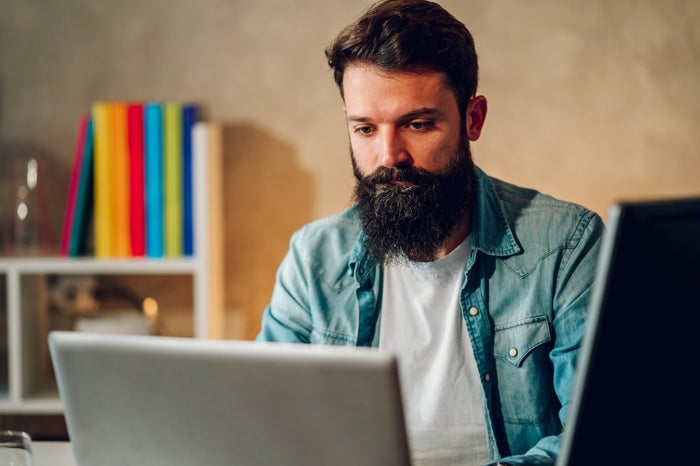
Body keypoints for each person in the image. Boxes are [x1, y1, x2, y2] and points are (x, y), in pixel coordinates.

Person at [257, 1, 605, 465]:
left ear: (473, 118)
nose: (389, 155)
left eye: (417, 124)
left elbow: (593, 437)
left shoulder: (567, 245)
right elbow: (264, 426)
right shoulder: (312, 259)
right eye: (365, 128)